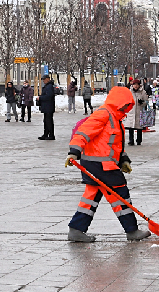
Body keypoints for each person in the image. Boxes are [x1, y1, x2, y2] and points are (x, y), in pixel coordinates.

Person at [65, 85, 151, 242]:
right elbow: (83, 133)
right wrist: (74, 151)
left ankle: (76, 229)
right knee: (120, 194)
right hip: (100, 165)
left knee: (91, 197)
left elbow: (115, 145)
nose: (126, 108)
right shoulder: (103, 114)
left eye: (128, 105)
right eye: (125, 104)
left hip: (102, 164)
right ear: (118, 102)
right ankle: (132, 230)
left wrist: (123, 160)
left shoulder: (115, 118)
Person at [126, 79, 149, 146]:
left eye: (137, 84)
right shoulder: (129, 92)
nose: (136, 86)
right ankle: (131, 140)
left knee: (139, 128)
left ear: (139, 85)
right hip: (131, 111)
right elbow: (126, 101)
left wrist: (142, 103)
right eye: (134, 84)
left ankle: (139, 140)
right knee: (131, 127)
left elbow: (146, 101)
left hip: (139, 112)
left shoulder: (143, 92)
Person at [37, 75, 56, 140]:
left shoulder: (49, 86)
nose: (43, 81)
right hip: (46, 107)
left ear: (48, 79)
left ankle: (51, 135)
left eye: (44, 79)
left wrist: (40, 98)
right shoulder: (47, 86)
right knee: (46, 121)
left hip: (49, 107)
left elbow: (49, 96)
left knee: (49, 121)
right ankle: (46, 134)